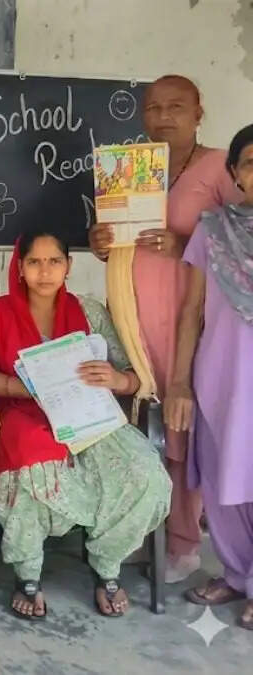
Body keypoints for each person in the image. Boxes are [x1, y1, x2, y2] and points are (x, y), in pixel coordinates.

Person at [0, 228, 171, 619]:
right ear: (20, 268)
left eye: (54, 261)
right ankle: (28, 575)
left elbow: (133, 374)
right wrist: (13, 387)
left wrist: (117, 379)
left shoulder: (88, 311)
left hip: (88, 415)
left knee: (146, 474)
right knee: (32, 467)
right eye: (34, 262)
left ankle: (106, 564)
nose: (45, 271)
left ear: (68, 266)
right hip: (25, 414)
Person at [88, 75, 244, 582]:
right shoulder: (131, 170)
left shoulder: (223, 166)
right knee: (143, 423)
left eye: (176, 106)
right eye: (153, 107)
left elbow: (238, 236)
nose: (164, 116)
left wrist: (184, 247)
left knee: (186, 423)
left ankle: (184, 541)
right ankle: (146, 531)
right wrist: (100, 238)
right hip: (136, 318)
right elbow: (117, 242)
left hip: (196, 318)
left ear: (199, 112)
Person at [165, 124, 253, 631]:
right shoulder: (212, 229)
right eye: (250, 162)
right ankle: (238, 574)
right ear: (235, 174)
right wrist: (179, 383)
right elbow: (192, 309)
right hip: (219, 374)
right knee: (222, 481)